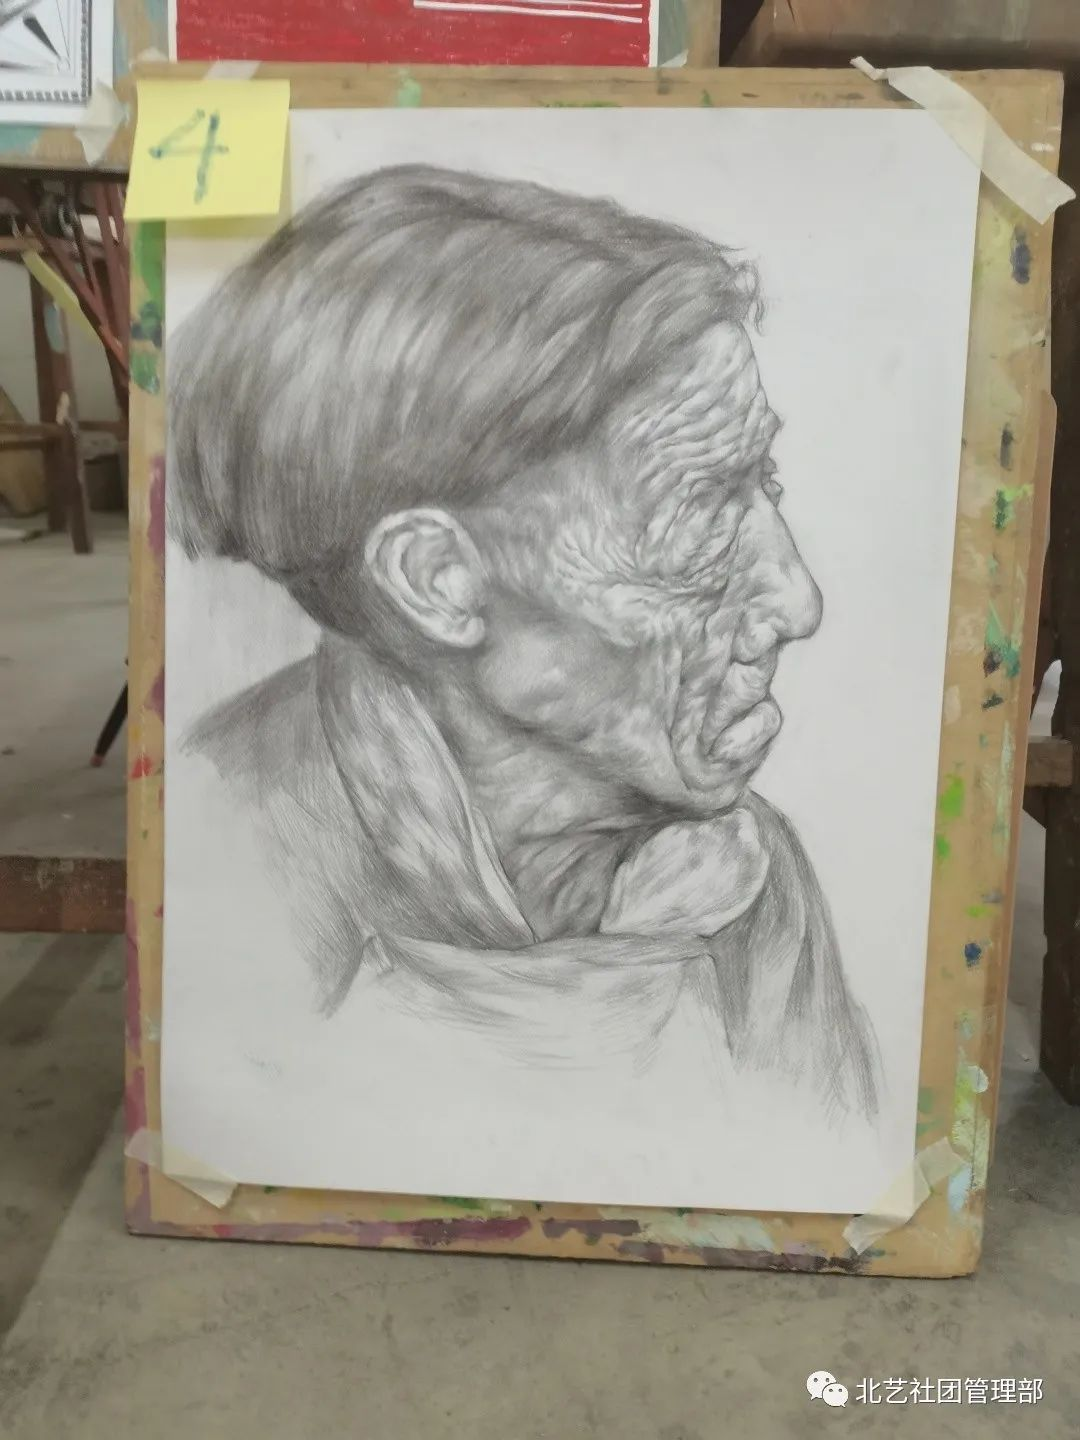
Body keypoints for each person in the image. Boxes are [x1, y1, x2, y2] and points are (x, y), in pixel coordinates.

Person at [169, 164, 879, 1123]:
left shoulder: (739, 874)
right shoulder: (226, 869)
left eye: (765, 486)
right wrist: (593, 998)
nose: (797, 601)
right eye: (699, 516)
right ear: (439, 580)